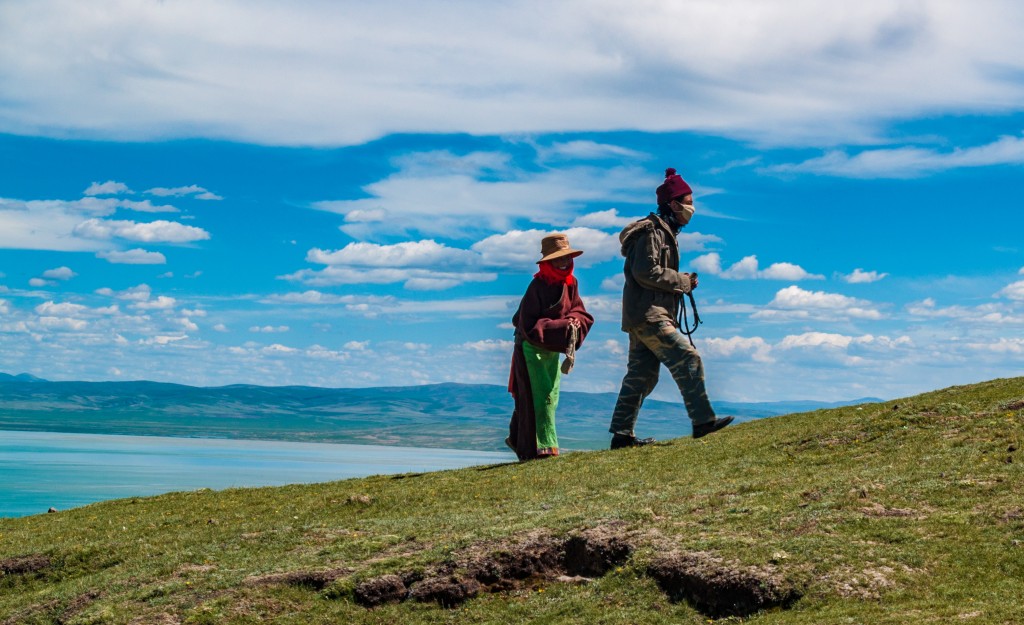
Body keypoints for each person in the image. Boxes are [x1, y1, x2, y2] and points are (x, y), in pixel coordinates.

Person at [608, 168, 733, 449]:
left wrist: (680, 283)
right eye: (688, 201)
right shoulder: (652, 232)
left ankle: (621, 435)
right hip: (651, 315)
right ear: (674, 204)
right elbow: (646, 272)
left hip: (642, 314)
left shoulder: (662, 232)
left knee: (641, 375)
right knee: (688, 358)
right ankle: (702, 421)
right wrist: (683, 281)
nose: (692, 207)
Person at [507, 233, 595, 461]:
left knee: (549, 398)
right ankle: (544, 449)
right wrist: (562, 325)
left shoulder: (571, 284)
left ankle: (520, 441)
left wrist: (574, 320)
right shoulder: (537, 285)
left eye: (566, 258)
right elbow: (527, 324)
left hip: (549, 350)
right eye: (558, 259)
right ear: (548, 262)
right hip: (530, 349)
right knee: (539, 398)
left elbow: (579, 310)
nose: (564, 263)